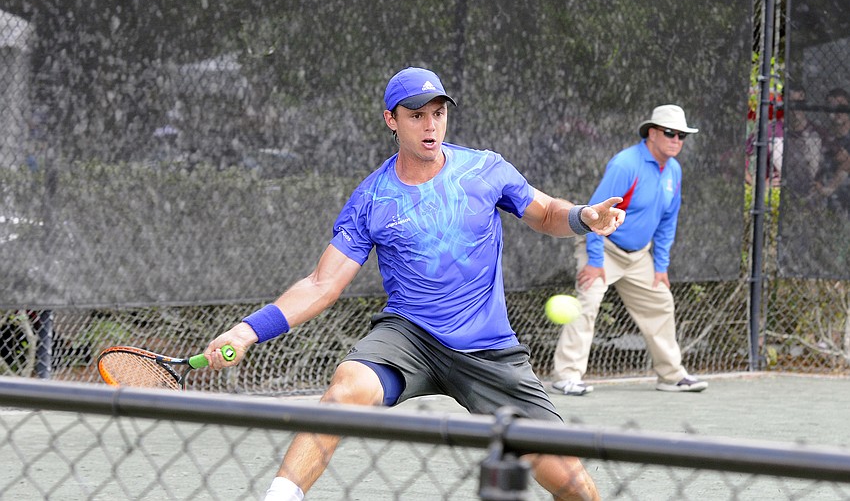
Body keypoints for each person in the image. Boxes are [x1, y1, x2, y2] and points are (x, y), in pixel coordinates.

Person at [204, 67, 625, 501]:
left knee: (575, 487)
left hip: (488, 346)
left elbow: (547, 213)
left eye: (438, 113)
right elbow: (321, 284)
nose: (430, 126)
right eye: (417, 115)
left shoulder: (485, 169)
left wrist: (584, 217)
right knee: (348, 386)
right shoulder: (372, 199)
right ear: (392, 119)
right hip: (411, 336)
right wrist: (247, 331)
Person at [550, 105, 708, 396]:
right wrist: (595, 261)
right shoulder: (625, 164)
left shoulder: (674, 170)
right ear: (652, 133)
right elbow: (596, 213)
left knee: (661, 303)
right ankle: (566, 376)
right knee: (587, 303)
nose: (676, 140)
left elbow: (668, 221)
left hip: (638, 256)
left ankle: (671, 376)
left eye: (681, 135)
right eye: (670, 133)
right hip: (603, 248)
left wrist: (660, 267)